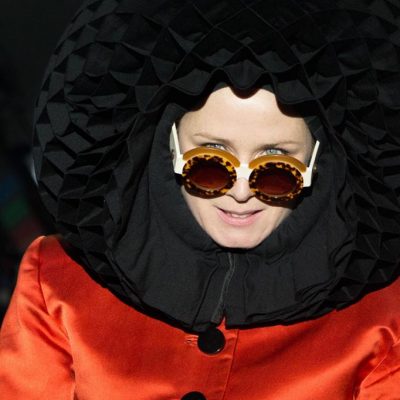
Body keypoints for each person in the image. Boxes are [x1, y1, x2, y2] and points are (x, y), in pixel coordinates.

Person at [1, 0, 400, 399]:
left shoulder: (382, 319)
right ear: (170, 149)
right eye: (210, 163)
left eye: (276, 170)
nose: (241, 193)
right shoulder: (57, 281)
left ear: (316, 165)